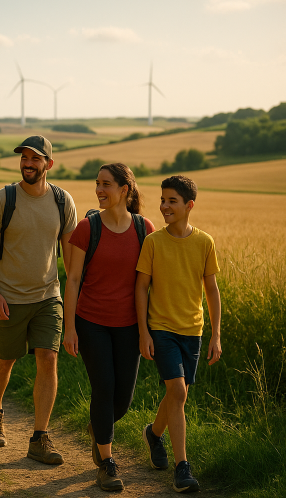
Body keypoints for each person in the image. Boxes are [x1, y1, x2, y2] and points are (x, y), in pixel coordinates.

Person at [0, 135, 77, 465]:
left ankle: (40, 438)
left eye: (35, 159)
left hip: (49, 296)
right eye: (24, 158)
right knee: (5, 361)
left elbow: (71, 254)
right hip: (9, 298)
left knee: (48, 358)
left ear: (49, 164)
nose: (28, 163)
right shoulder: (3, 199)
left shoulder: (63, 202)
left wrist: (77, 294)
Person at [62, 163, 155, 491]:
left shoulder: (145, 229)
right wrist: (69, 327)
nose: (99, 190)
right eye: (97, 184)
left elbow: (149, 283)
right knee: (103, 388)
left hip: (129, 325)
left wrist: (148, 329)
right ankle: (107, 462)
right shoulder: (88, 228)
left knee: (122, 400)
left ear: (124, 190)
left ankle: (98, 429)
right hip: (91, 323)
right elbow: (72, 279)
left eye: (106, 184)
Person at [135, 175, 221, 494]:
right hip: (162, 329)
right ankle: (182, 467)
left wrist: (216, 336)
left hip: (193, 331)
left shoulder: (205, 242)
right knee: (179, 392)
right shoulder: (153, 242)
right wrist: (144, 332)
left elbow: (211, 290)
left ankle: (154, 434)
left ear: (189, 205)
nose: (164, 206)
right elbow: (141, 287)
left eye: (172, 200)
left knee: (177, 392)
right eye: (162, 199)